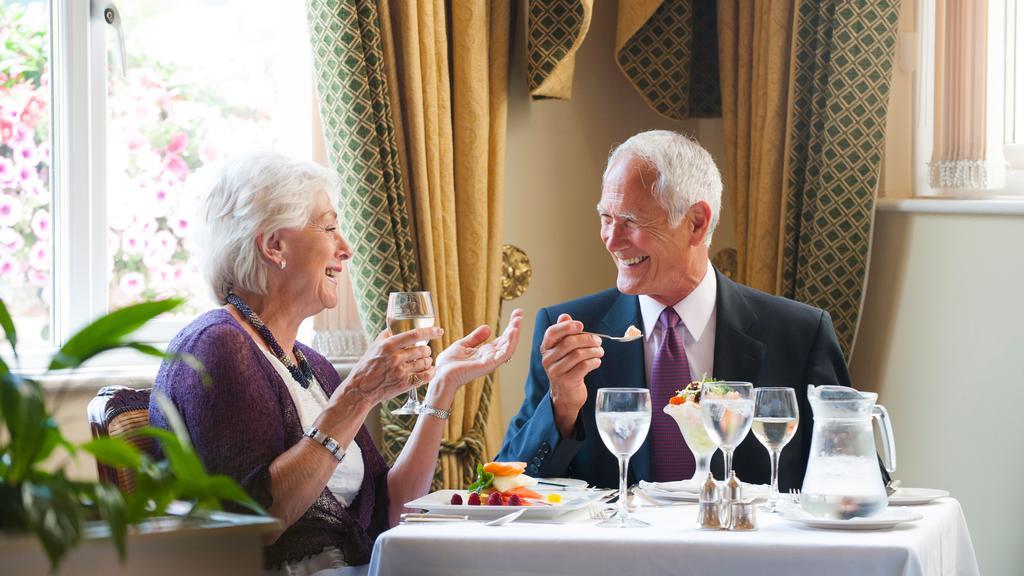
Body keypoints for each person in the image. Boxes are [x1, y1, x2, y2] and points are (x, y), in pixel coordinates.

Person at [150, 151, 523, 575]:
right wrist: (358, 394)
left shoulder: (310, 364)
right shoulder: (218, 347)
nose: (345, 249)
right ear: (274, 246)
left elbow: (392, 509)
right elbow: (256, 522)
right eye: (329, 228)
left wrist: (442, 388)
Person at [497, 130, 850, 490]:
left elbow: (853, 476)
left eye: (631, 221)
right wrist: (562, 407)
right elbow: (508, 486)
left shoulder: (800, 334)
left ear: (696, 223)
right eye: (606, 217)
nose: (611, 239)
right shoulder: (571, 330)